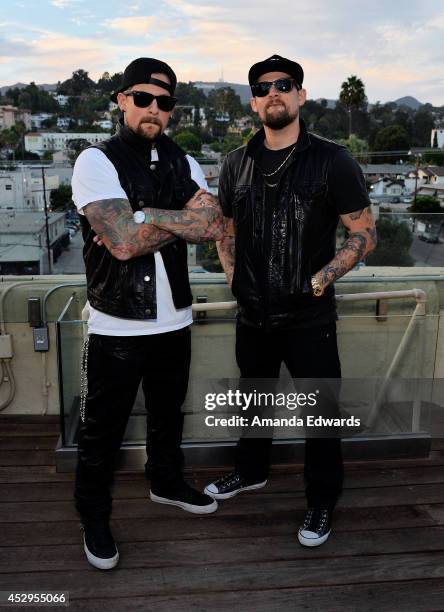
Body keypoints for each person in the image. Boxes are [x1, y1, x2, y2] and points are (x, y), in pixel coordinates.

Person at [204, 54, 376, 547]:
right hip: (253, 314)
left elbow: (363, 233)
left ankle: (322, 501)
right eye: (262, 87)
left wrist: (318, 281)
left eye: (284, 84)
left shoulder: (333, 160)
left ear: (301, 95)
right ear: (254, 102)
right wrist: (235, 277)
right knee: (253, 400)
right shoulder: (236, 164)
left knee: (321, 415)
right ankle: (251, 471)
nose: (273, 92)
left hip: (309, 318)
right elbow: (226, 231)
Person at [71, 57, 223, 570]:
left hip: (174, 320)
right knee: (102, 429)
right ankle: (93, 515)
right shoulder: (97, 161)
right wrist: (175, 219)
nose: (153, 109)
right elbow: (121, 243)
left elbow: (211, 227)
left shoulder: (184, 161)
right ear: (121, 100)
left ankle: (166, 481)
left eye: (164, 102)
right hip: (116, 323)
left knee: (166, 417)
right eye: (143, 98)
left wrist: (146, 215)